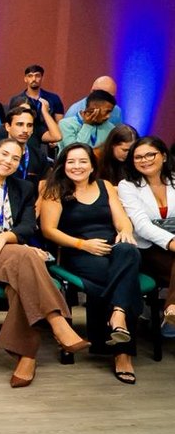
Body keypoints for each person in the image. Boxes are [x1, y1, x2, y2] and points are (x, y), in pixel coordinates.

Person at [0, 138, 89, 387]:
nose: (8, 161)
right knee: (29, 255)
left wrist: (6, 238)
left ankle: (27, 357)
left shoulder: (24, 188)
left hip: (14, 251)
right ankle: (57, 322)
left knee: (18, 286)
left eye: (15, 158)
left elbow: (28, 226)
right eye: (4, 154)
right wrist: (5, 241)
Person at [40, 143, 141, 383]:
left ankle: (117, 315)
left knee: (128, 250)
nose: (77, 166)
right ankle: (122, 353)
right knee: (122, 278)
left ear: (92, 165)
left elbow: (123, 222)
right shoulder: (55, 190)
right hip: (79, 252)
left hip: (113, 250)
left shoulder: (105, 186)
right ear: (63, 165)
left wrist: (125, 232)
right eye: (71, 161)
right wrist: (82, 244)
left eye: (83, 161)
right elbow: (48, 230)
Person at [117, 137, 175, 330]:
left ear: (164, 156)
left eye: (150, 154)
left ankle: (171, 312)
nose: (145, 160)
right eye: (138, 157)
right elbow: (141, 225)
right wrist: (171, 242)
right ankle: (171, 311)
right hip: (149, 250)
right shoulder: (128, 186)